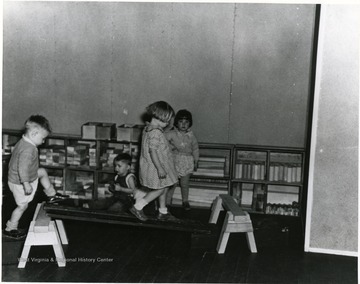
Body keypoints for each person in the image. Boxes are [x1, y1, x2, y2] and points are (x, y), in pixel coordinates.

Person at [4, 115, 69, 239]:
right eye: (43, 138)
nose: (43, 141)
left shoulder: (23, 141)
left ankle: (52, 195)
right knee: (22, 206)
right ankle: (10, 228)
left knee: (42, 172)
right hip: (21, 181)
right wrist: (26, 184)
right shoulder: (28, 150)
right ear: (34, 134)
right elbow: (22, 168)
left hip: (27, 175)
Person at [129, 101, 178, 222]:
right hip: (155, 166)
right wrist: (160, 168)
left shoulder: (148, 128)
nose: (167, 124)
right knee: (160, 189)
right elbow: (153, 152)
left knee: (165, 186)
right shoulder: (155, 132)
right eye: (166, 121)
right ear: (159, 117)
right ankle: (138, 207)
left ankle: (163, 211)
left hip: (153, 165)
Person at [165, 109, 199, 211]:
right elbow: (163, 142)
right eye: (181, 121)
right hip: (174, 161)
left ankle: (185, 201)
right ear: (176, 122)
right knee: (172, 183)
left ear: (190, 123)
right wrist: (170, 147)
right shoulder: (171, 133)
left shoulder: (191, 136)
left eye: (186, 122)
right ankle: (167, 201)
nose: (183, 124)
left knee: (184, 183)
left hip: (187, 161)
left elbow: (195, 148)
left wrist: (196, 160)